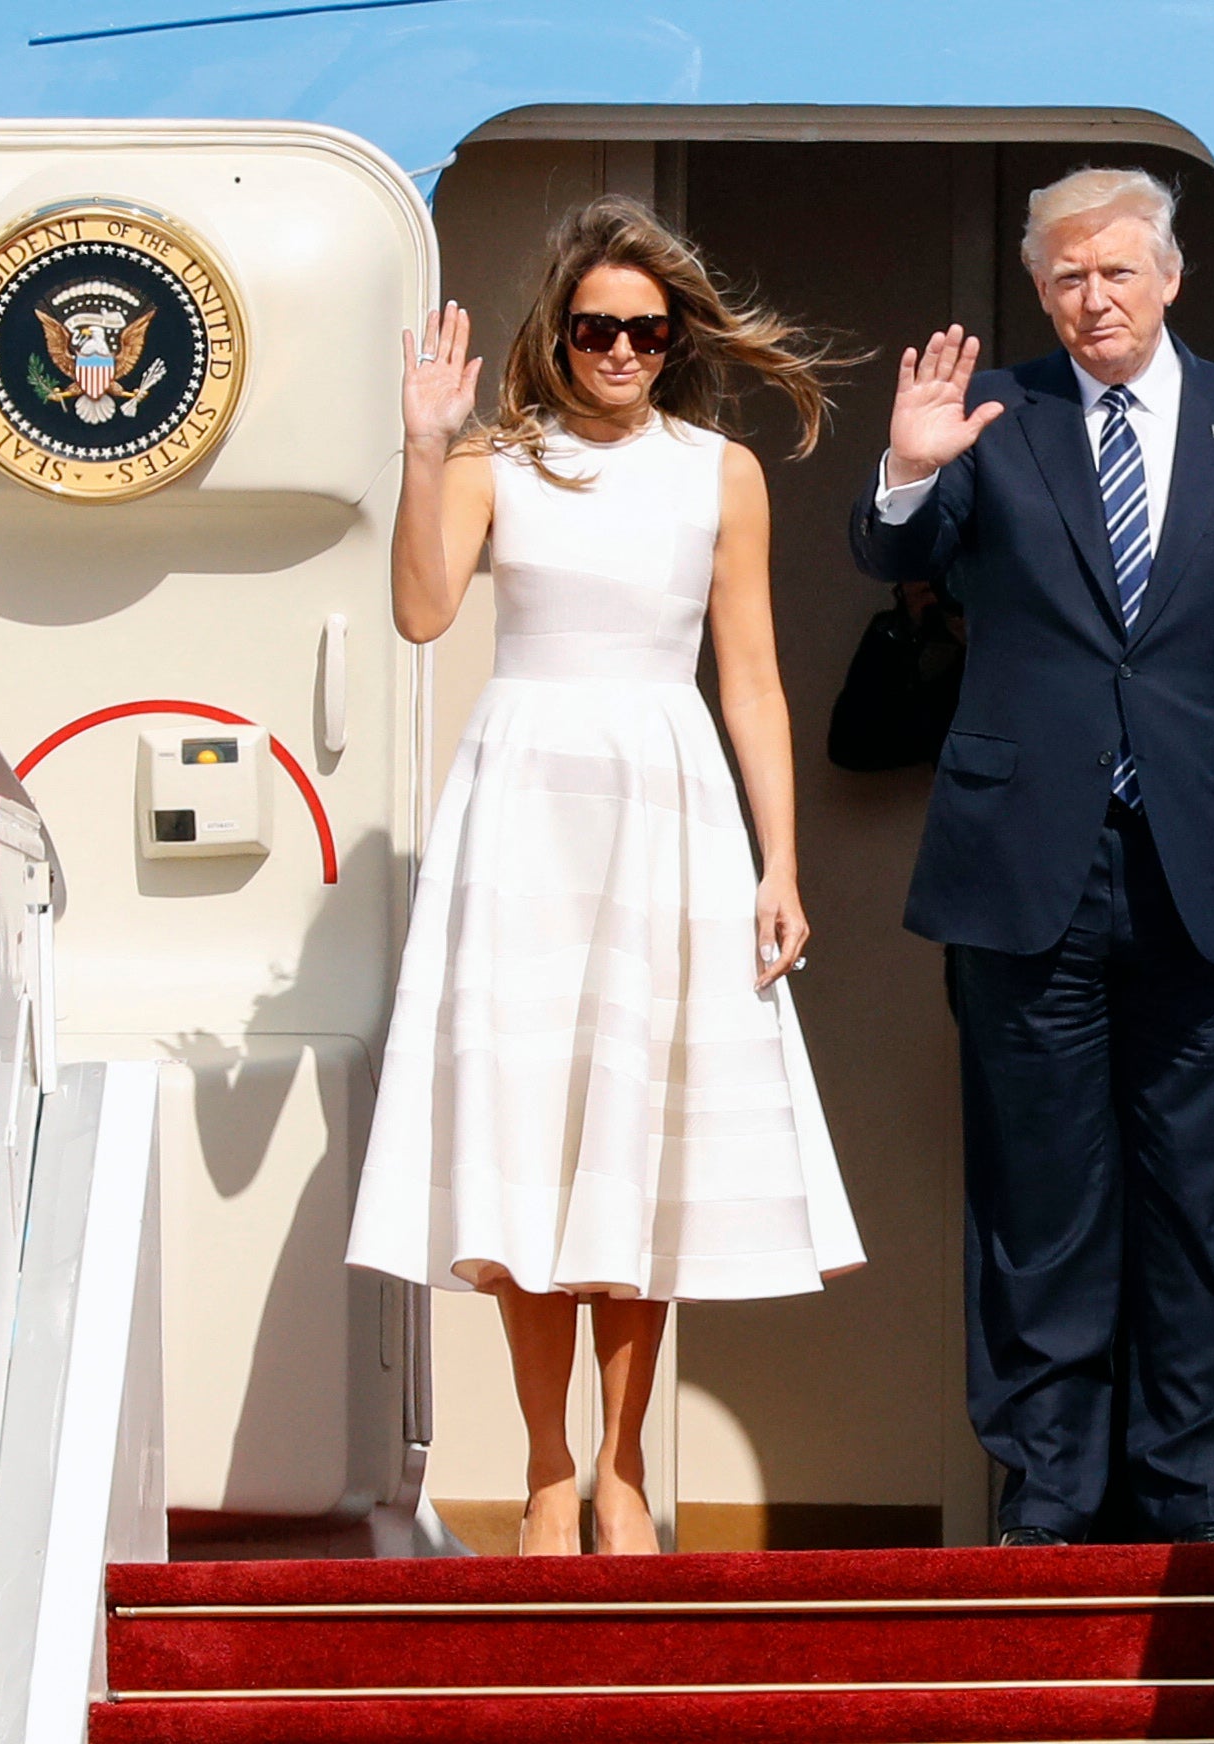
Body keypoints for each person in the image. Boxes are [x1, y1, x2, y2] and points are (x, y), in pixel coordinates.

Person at [849, 168, 1214, 1546]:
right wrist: (911, 466)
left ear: (1172, 276)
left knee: (1213, 1204)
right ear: (1040, 291)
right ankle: (1052, 1496)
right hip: (1027, 869)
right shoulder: (999, 418)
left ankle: (1190, 1500)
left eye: (1118, 272)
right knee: (1041, 1202)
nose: (1095, 299)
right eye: (1068, 278)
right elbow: (887, 549)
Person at [348, 196, 865, 1557]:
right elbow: (417, 613)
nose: (622, 350)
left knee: (637, 1144)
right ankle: (542, 1471)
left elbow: (750, 677)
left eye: (647, 329)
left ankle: (625, 1471)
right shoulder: (492, 463)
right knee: (531, 1148)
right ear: (559, 337)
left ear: (674, 337)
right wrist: (418, 451)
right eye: (597, 329)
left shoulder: (720, 473)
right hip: (524, 806)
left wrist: (781, 861)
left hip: (668, 801)